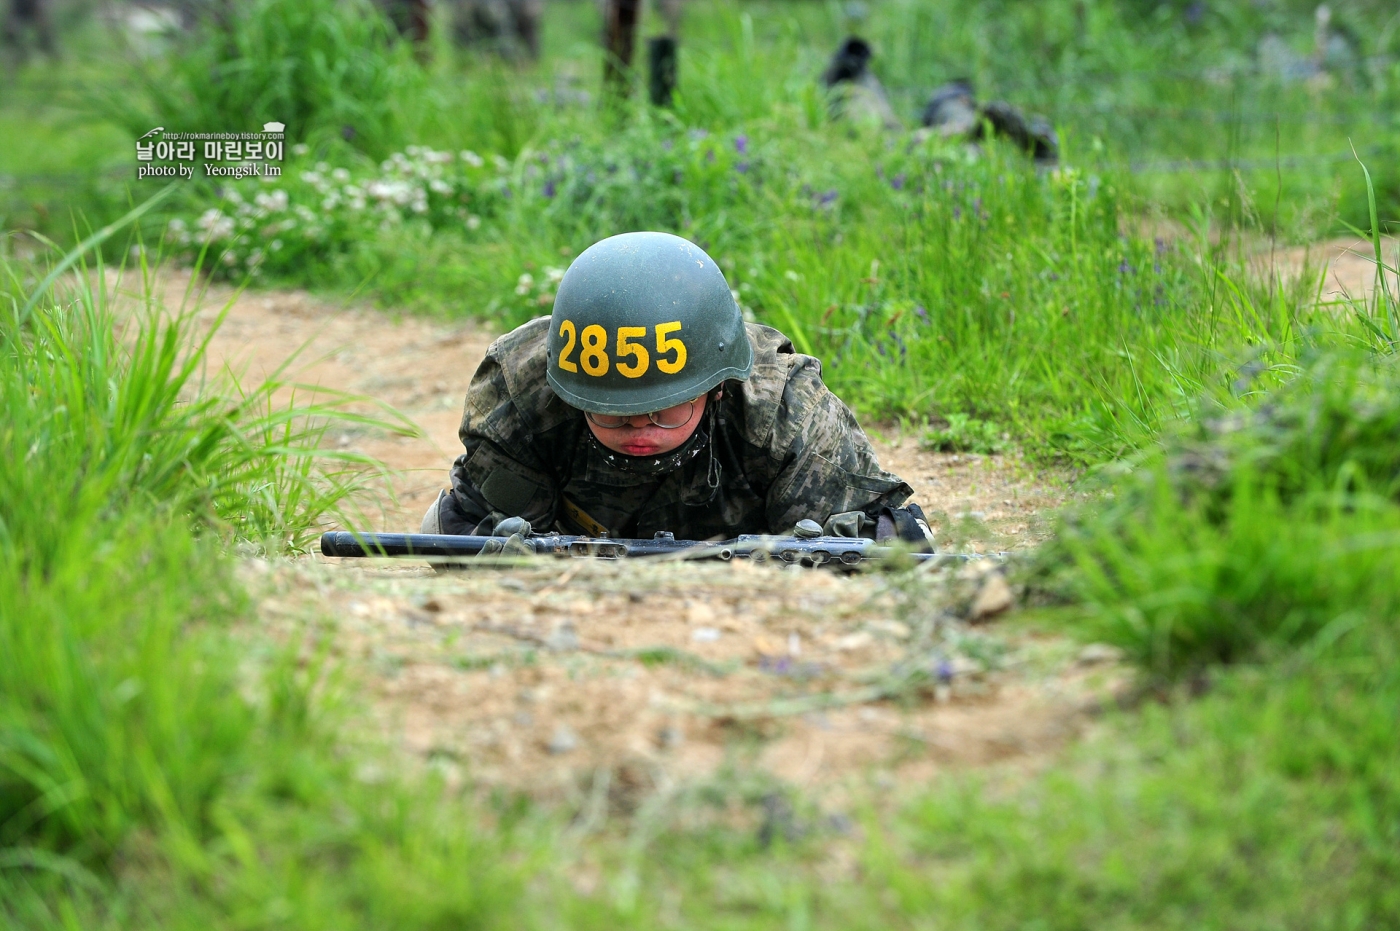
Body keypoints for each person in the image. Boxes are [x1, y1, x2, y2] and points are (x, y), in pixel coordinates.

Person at [420, 231, 931, 547]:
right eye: (615, 415)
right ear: (574, 399)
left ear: (715, 390)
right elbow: (464, 531)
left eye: (665, 413)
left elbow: (888, 541)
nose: (641, 429)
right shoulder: (523, 394)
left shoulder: (783, 411)